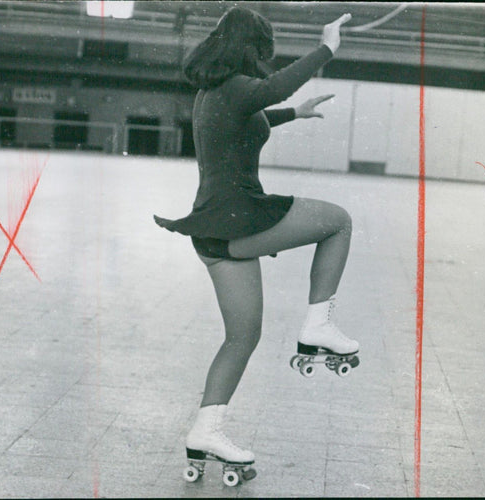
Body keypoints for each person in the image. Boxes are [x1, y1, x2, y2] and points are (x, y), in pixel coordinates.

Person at [154, 7, 358, 469]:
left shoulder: (214, 91)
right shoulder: (238, 88)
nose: (264, 61)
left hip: (212, 234)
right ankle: (318, 325)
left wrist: (294, 114)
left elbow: (250, 115)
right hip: (239, 219)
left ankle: (204, 433)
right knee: (339, 221)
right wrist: (327, 48)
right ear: (250, 48)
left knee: (242, 338)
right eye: (262, 52)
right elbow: (270, 89)